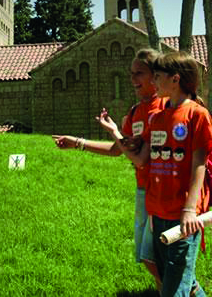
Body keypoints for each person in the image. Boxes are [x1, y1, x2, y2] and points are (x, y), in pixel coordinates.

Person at [98, 51, 212, 297]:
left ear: (175, 79)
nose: (154, 82)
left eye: (158, 77)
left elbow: (199, 165)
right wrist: (114, 132)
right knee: (177, 281)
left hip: (182, 214)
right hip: (157, 210)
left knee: (174, 289)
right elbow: (140, 160)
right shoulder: (158, 118)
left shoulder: (197, 114)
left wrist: (190, 209)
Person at [52, 49, 165, 290]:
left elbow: (141, 158)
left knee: (155, 257)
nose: (132, 79)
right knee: (151, 258)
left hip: (166, 192)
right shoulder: (134, 112)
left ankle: (184, 289)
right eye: (131, 73)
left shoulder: (166, 107)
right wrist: (78, 143)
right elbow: (117, 149)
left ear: (156, 76)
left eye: (139, 73)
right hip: (143, 190)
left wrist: (118, 134)